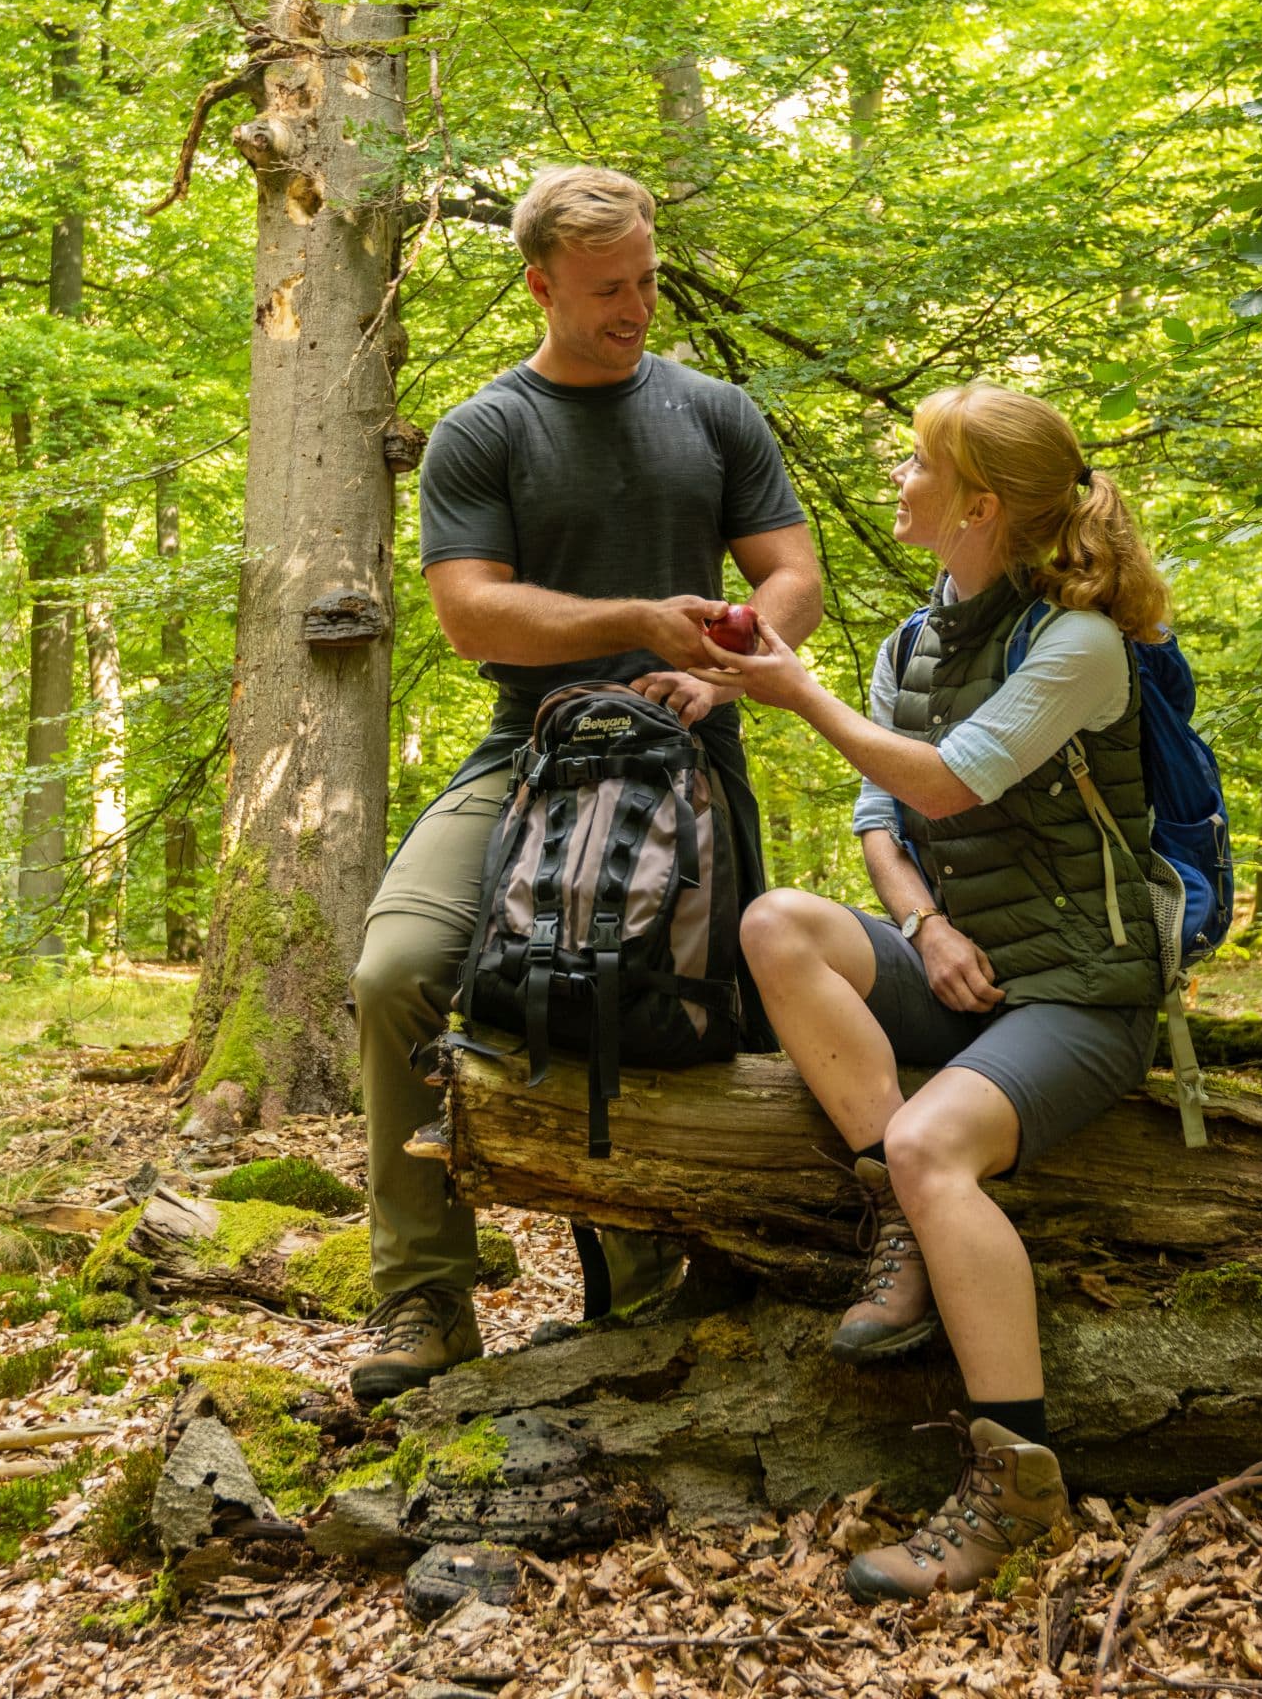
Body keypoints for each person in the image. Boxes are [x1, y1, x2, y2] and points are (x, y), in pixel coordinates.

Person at [347, 164, 824, 1404]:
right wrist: (634, 621)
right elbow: (470, 614)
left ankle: (657, 1280)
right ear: (541, 284)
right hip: (532, 751)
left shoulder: (716, 412)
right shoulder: (486, 428)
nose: (638, 305)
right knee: (398, 969)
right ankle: (424, 1292)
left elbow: (792, 576)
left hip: (691, 755)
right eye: (610, 287)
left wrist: (724, 669)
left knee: (669, 994)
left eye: (650, 278)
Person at [709, 380, 1174, 1600]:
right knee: (776, 923)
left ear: (978, 503)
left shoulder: (1074, 642)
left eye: (918, 462)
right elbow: (884, 811)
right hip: (972, 961)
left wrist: (794, 688)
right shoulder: (913, 641)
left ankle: (1018, 1486)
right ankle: (902, 1220)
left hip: (1086, 990)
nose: (896, 475)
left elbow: (951, 780)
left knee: (931, 1140)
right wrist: (922, 920)